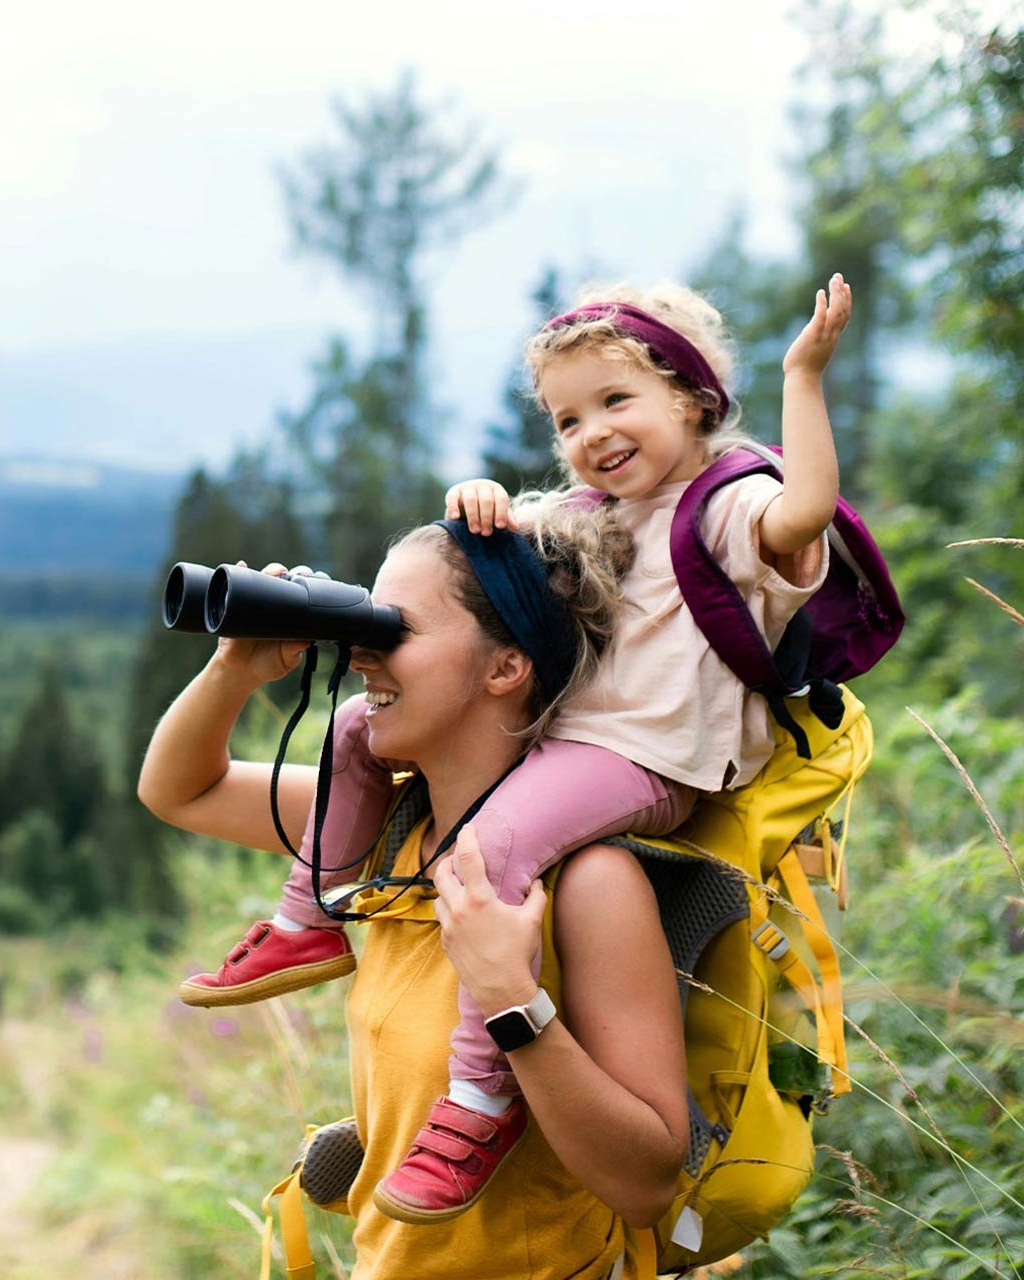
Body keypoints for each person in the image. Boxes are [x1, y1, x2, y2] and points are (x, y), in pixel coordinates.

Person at [176, 274, 856, 1222]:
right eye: (567, 417)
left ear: (696, 398)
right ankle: (311, 919)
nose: (593, 433)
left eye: (617, 400)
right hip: (568, 750)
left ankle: (480, 1097)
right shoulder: (592, 512)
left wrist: (806, 379)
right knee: (351, 730)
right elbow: (486, 565)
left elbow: (806, 514)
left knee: (488, 850)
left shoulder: (725, 509)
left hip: (649, 760)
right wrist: (486, 498)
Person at [138, 514, 688, 1277]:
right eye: (366, 618)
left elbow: (647, 1185)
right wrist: (236, 669)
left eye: (396, 629)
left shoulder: (589, 883)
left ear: (505, 668)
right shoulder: (392, 826)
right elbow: (180, 791)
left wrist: (513, 1002)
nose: (362, 651)